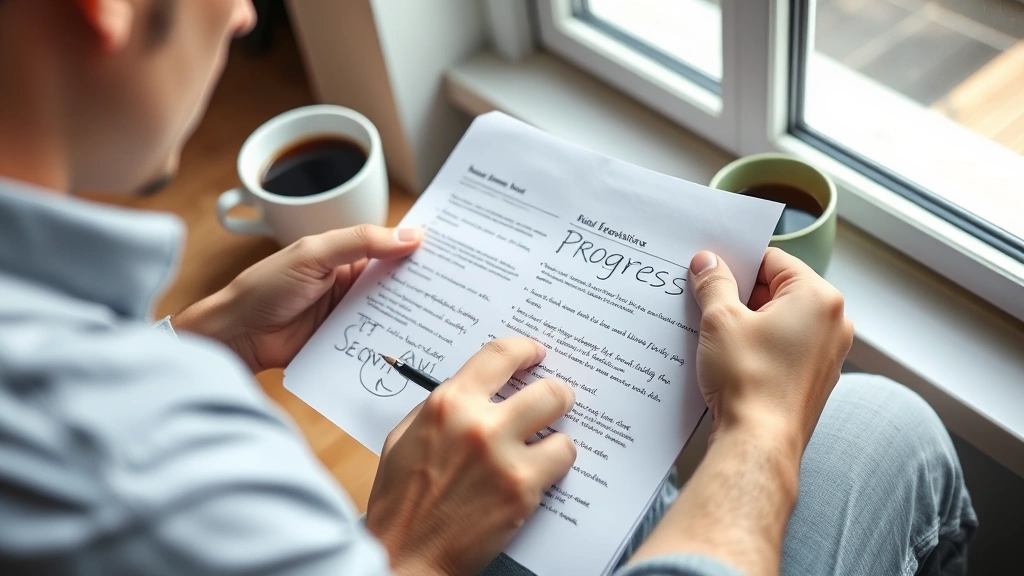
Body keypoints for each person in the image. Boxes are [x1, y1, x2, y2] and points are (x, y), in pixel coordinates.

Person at [0, 1, 976, 575]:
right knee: (885, 427)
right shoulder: (135, 466)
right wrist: (409, 547)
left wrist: (205, 337)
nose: (246, 12)